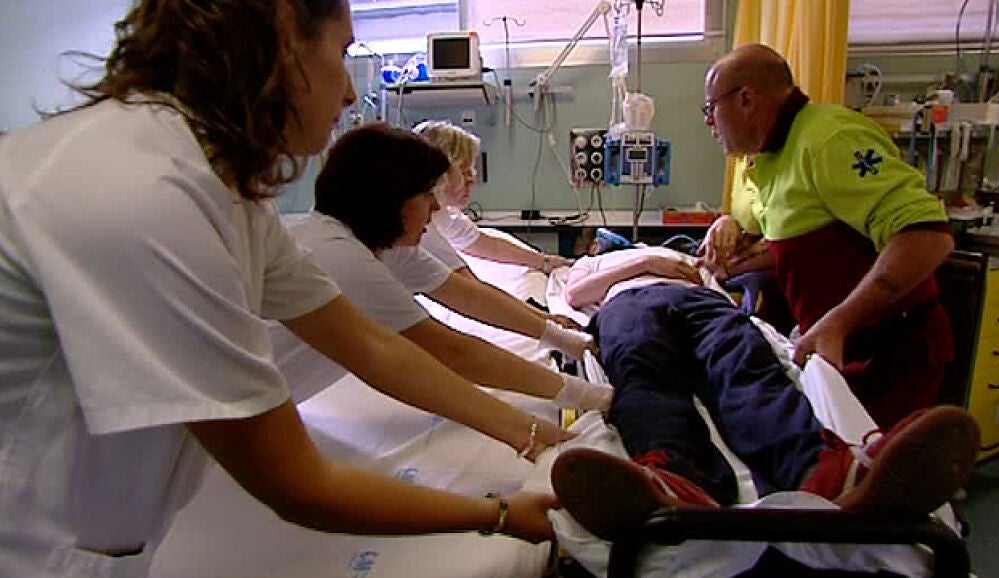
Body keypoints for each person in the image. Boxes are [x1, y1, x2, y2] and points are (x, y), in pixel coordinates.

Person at [0, 2, 567, 575]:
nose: (351, 92)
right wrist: (499, 514)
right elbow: (297, 483)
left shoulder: (226, 194)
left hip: (99, 535)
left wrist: (537, 433)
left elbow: (372, 345)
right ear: (284, 37)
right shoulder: (142, 189)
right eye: (342, 52)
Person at [549, 245, 979, 541]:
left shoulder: (687, 256)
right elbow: (574, 293)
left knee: (743, 364)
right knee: (642, 373)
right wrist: (646, 263)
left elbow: (723, 273)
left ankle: (820, 472)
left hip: (702, 301)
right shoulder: (592, 262)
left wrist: (713, 249)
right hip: (628, 304)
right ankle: (675, 479)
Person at [698, 43, 955, 428]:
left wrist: (841, 320)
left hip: (892, 350)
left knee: (871, 459)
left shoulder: (830, 138)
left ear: (746, 99)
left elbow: (927, 237)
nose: (709, 122)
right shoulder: (771, 155)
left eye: (710, 108)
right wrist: (735, 256)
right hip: (838, 348)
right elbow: (809, 242)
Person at [273, 123, 611, 411]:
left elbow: (470, 297)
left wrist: (567, 341)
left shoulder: (389, 247)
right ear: (390, 199)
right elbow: (453, 352)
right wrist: (587, 396)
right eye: (426, 194)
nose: (436, 206)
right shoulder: (343, 258)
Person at [412, 120, 575, 276]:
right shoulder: (420, 225)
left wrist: (545, 261)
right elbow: (457, 284)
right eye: (465, 171)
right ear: (440, 175)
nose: (472, 180)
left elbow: (488, 245)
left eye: (472, 171)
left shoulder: (442, 215)